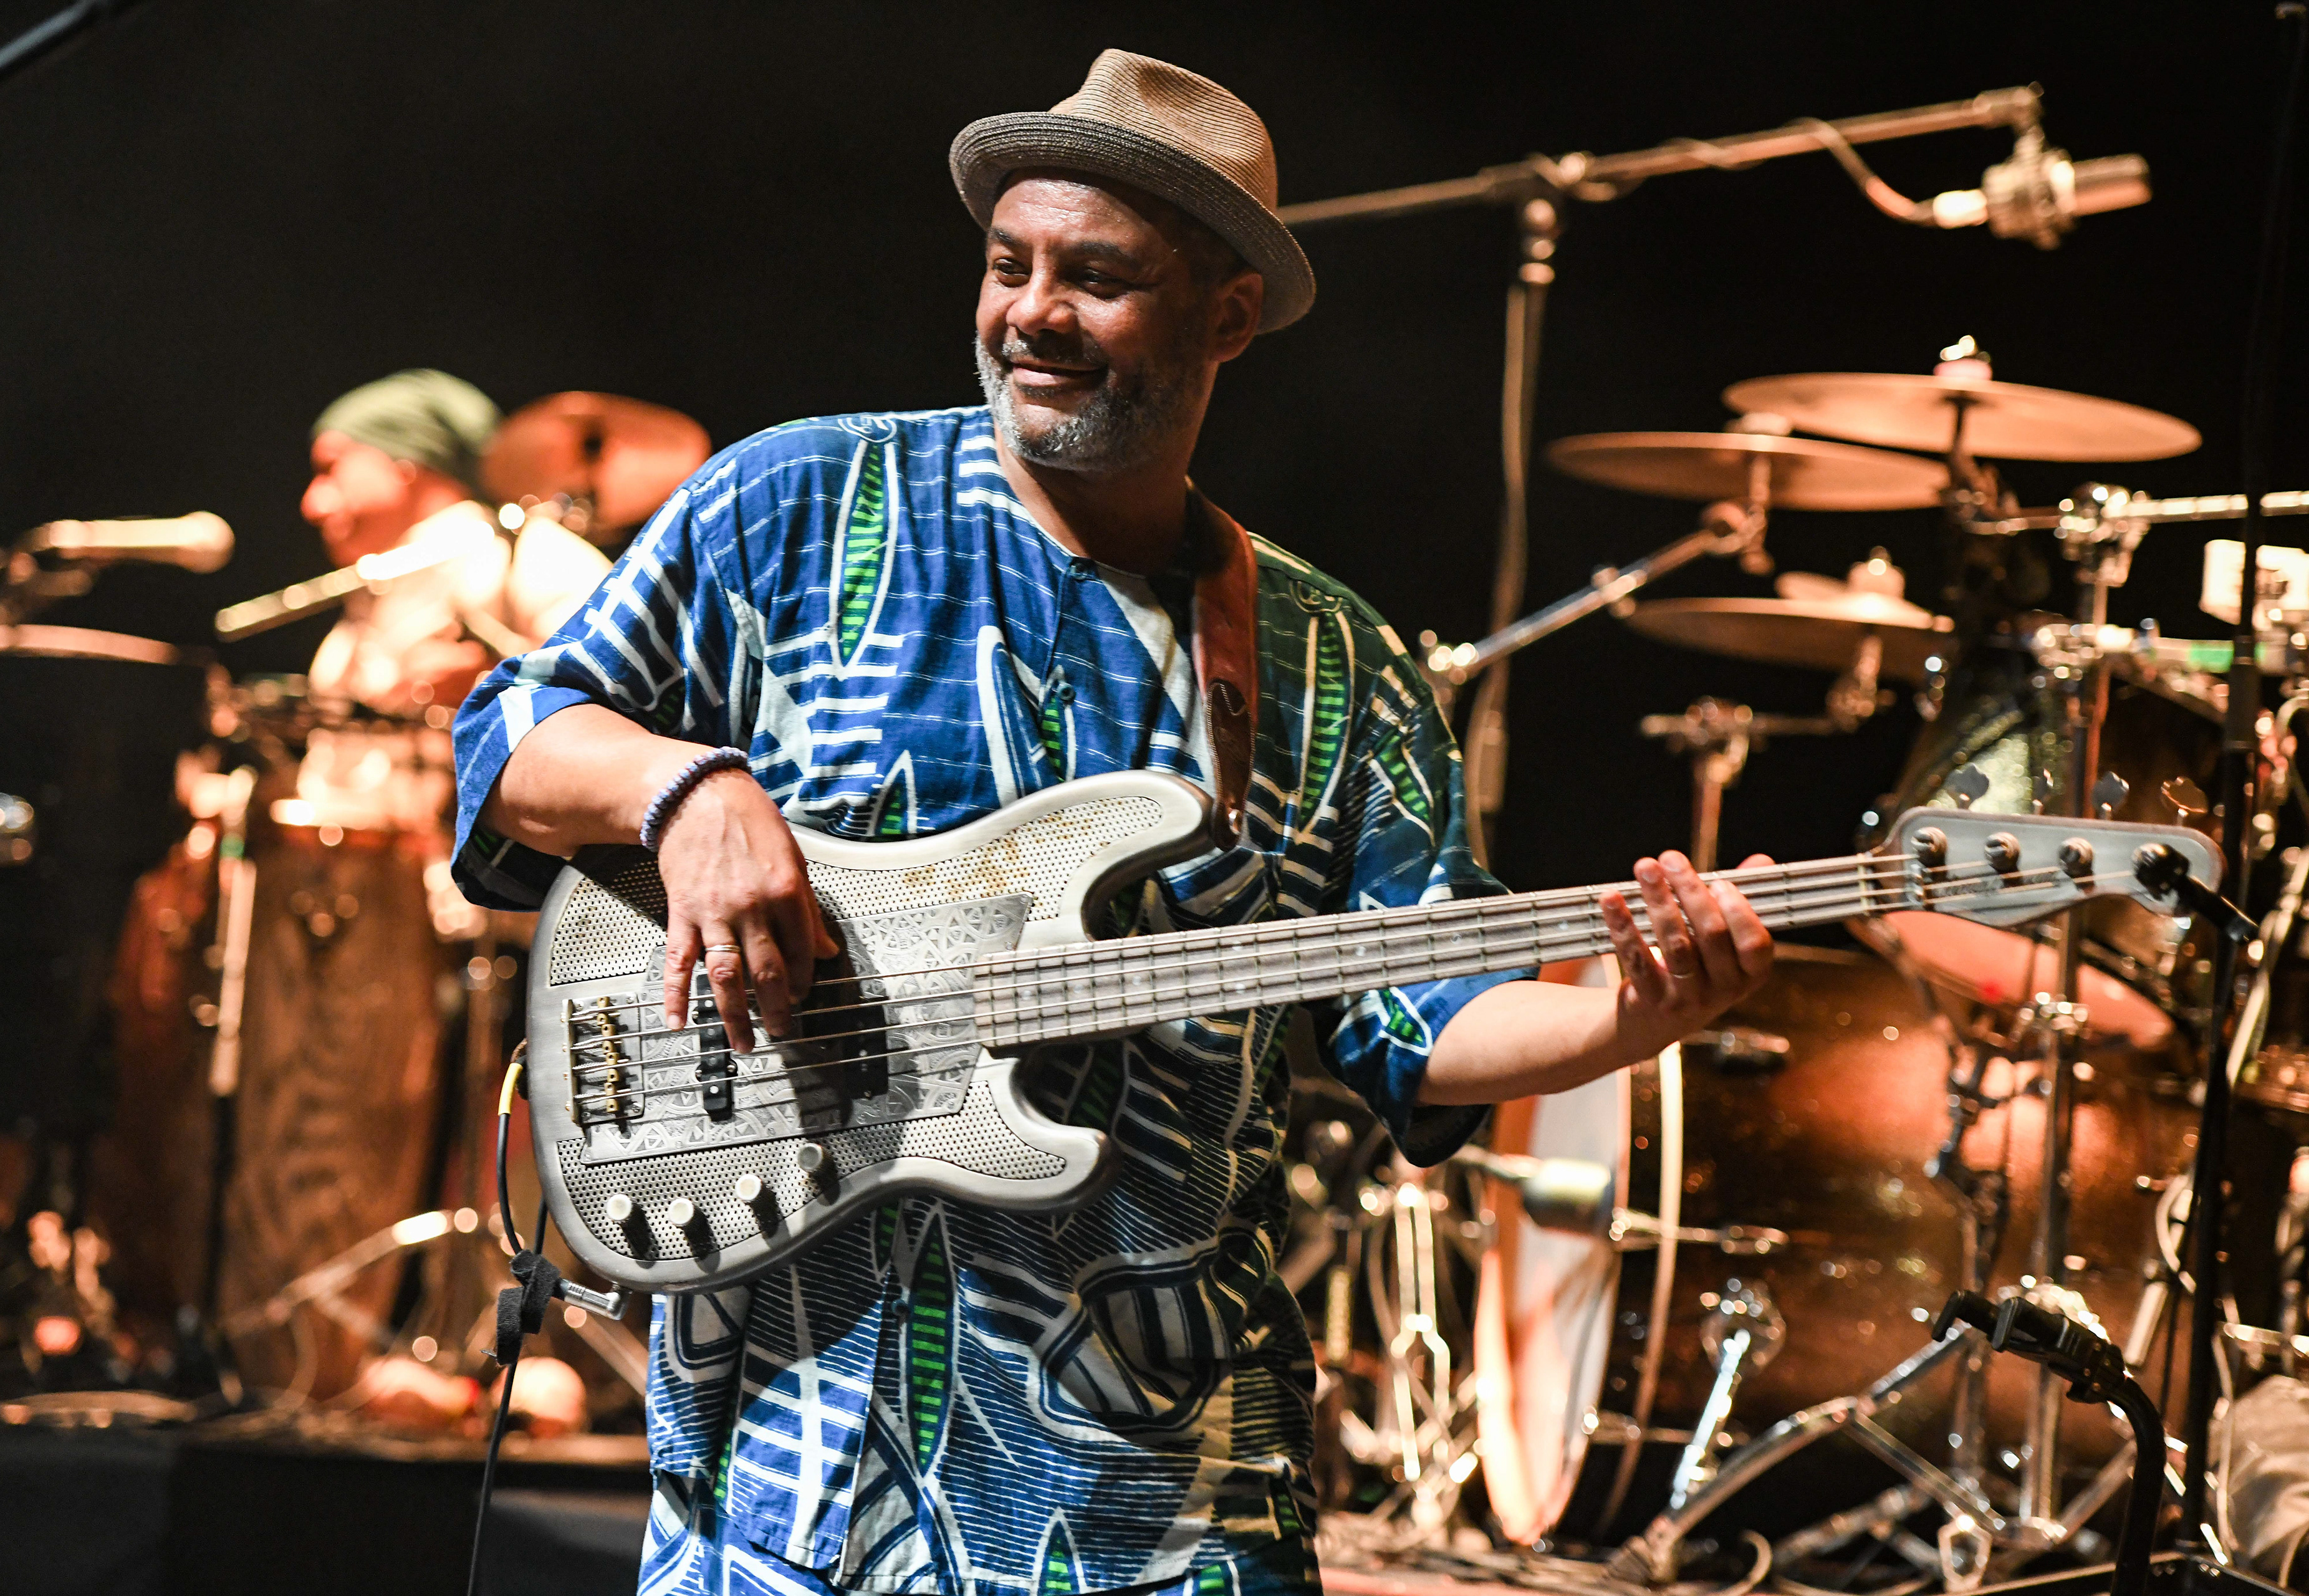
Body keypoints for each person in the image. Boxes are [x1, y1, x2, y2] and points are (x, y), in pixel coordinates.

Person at [450, 51, 1774, 1596]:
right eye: (1007, 265)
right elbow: (511, 732)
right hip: (794, 1466)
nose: (1031, 313)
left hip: (1164, 1477)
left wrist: (1625, 1018)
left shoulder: (1331, 658)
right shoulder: (798, 505)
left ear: (1227, 317)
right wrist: (686, 793)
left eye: (1097, 278)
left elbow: (1419, 1009)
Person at [300, 368, 610, 718]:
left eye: (330, 468)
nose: (312, 506)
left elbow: (615, 690)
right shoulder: (361, 610)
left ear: (406, 461)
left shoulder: (536, 557)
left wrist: (497, 683)